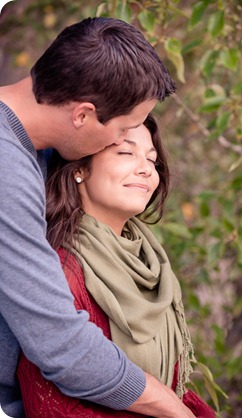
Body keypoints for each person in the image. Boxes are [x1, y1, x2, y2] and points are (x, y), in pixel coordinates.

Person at [0, 15, 199, 418]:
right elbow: (60, 344)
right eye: (123, 132)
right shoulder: (6, 169)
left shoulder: (37, 147)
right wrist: (174, 409)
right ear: (82, 115)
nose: (120, 142)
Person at [17, 113, 216, 418]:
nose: (146, 169)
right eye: (126, 153)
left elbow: (174, 391)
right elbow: (48, 406)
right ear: (79, 168)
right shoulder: (59, 271)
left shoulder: (150, 264)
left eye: (152, 160)